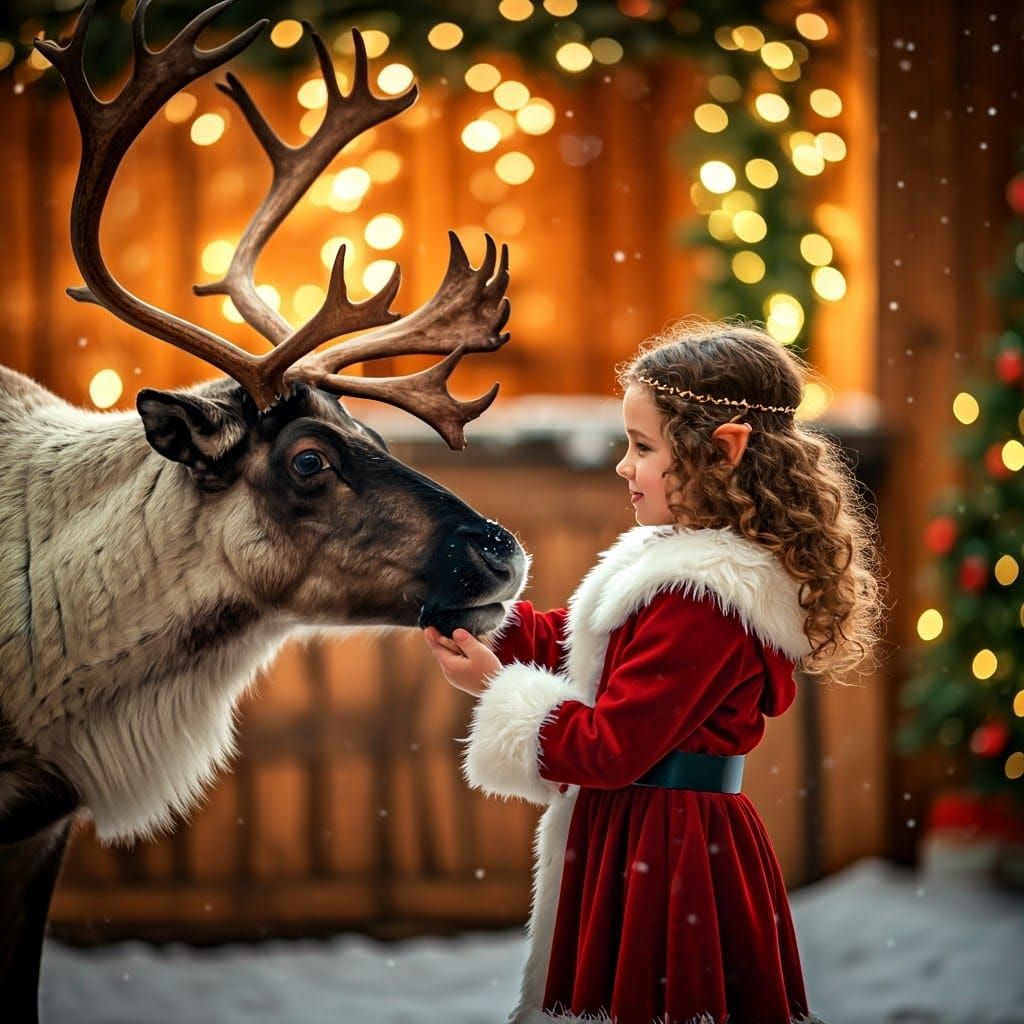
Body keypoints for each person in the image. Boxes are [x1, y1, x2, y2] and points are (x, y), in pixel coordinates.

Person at [423, 320, 883, 1024]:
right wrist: (487, 621)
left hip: (670, 854)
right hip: (640, 835)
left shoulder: (709, 596)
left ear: (722, 451)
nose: (623, 465)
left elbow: (611, 747)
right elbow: (585, 651)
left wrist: (496, 687)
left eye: (642, 447)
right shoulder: (668, 564)